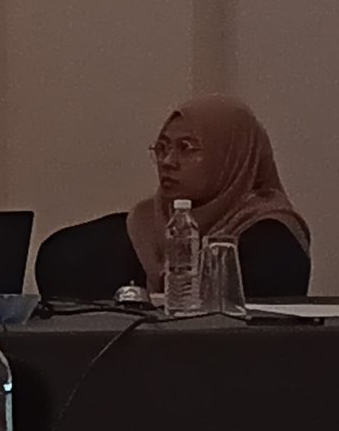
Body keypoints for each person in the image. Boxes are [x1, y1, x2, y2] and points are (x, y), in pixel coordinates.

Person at [36, 97, 311, 301]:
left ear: (231, 157)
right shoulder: (142, 226)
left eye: (186, 148)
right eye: (162, 147)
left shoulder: (271, 238)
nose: (167, 161)